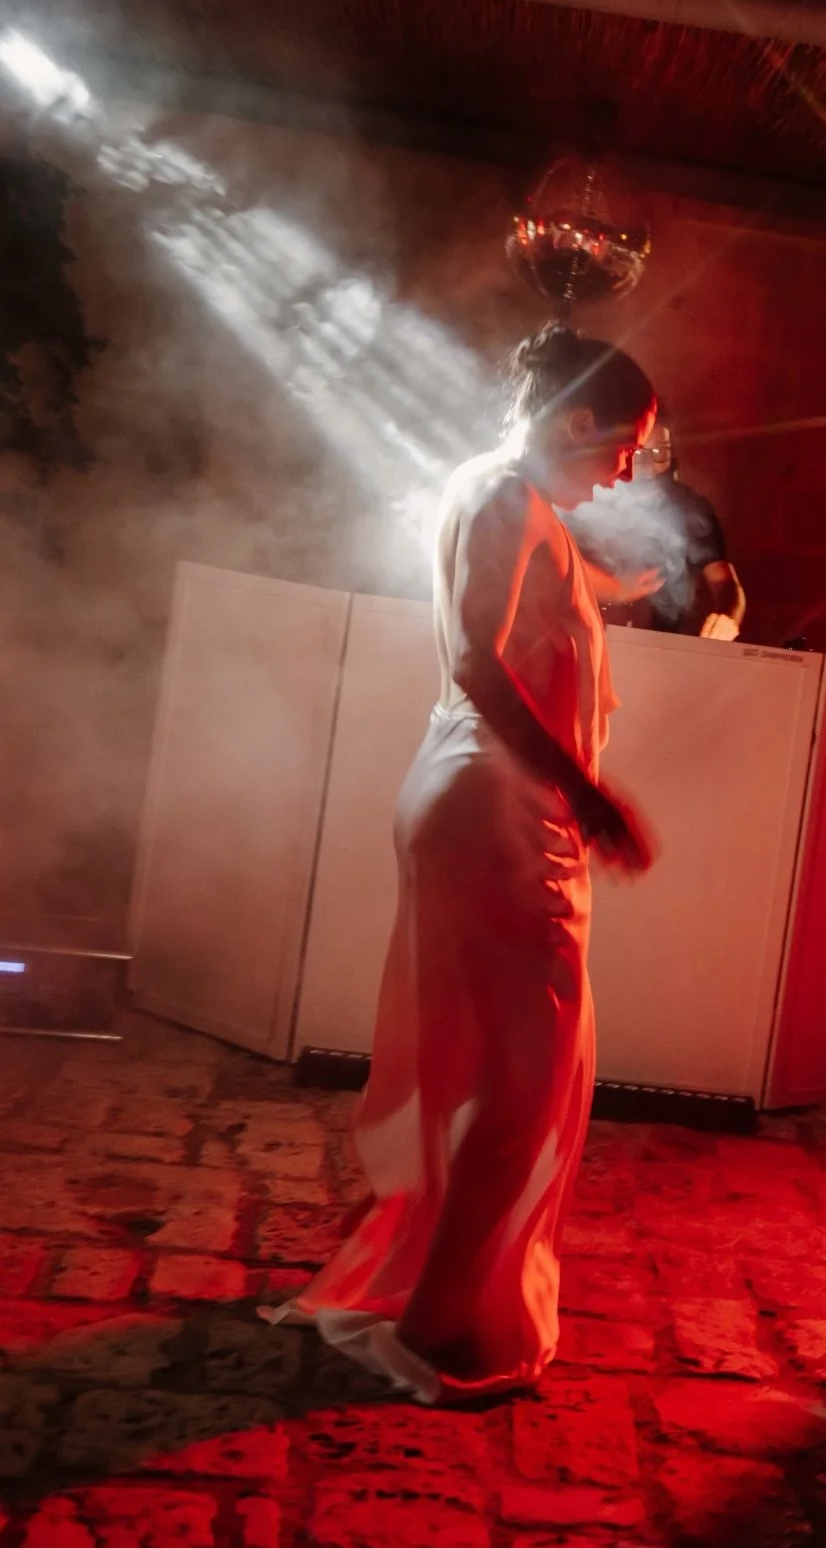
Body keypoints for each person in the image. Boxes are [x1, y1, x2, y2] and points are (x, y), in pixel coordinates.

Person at [263, 324, 657, 1404]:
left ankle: (430, 1294)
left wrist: (611, 588)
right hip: (497, 805)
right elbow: (479, 659)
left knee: (487, 1056)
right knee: (525, 1075)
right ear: (580, 419)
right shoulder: (507, 500)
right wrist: (588, 795)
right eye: (629, 443)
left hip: (466, 792)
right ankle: (434, 1326)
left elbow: (526, 620)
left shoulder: (492, 492)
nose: (631, 467)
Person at [566, 412, 746, 640]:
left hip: (661, 650)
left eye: (661, 452)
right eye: (639, 452)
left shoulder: (689, 508)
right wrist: (616, 588)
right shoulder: (585, 497)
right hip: (586, 638)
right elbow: (555, 565)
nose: (649, 466)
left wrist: (727, 618)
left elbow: (726, 585)